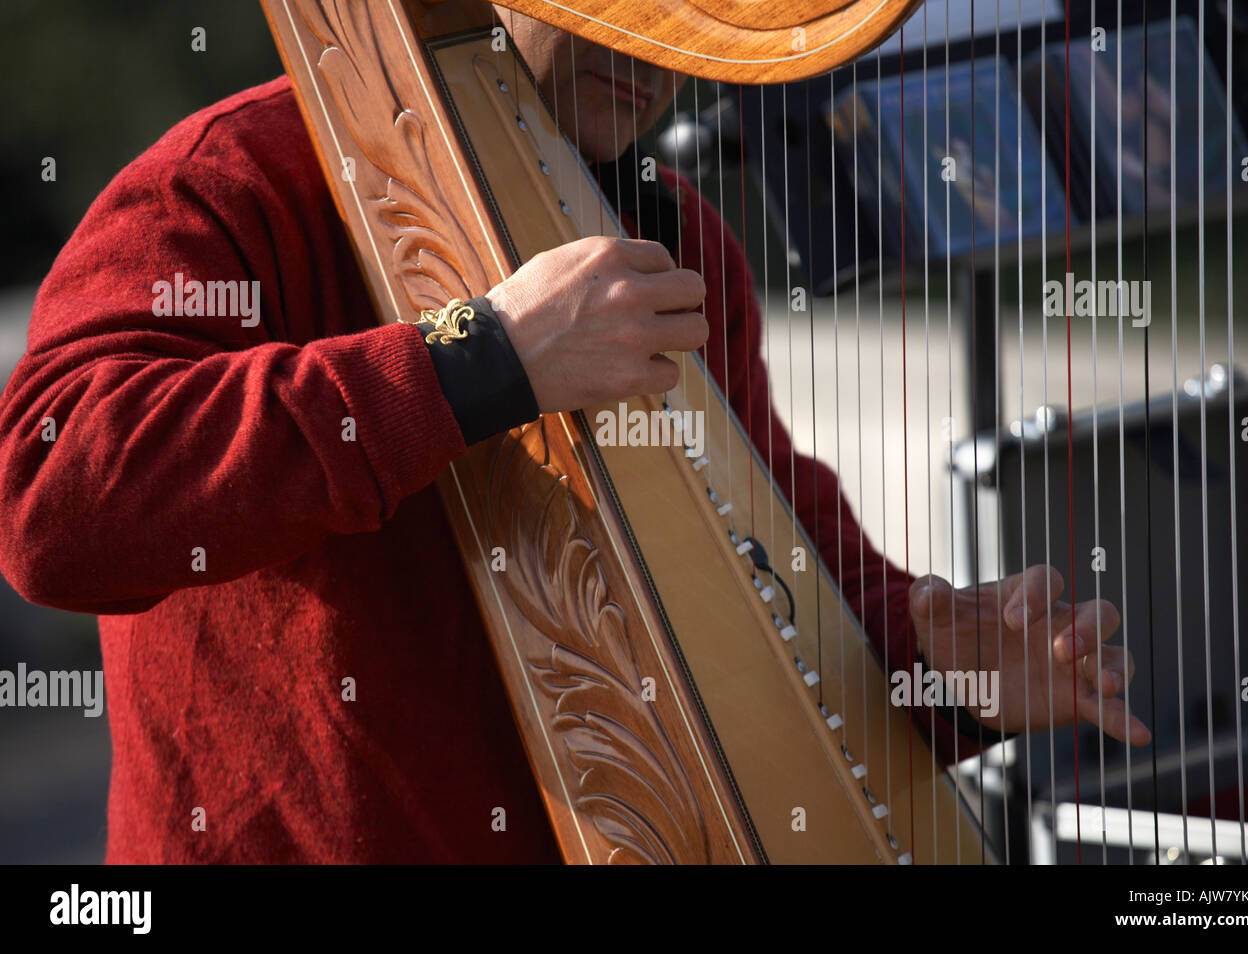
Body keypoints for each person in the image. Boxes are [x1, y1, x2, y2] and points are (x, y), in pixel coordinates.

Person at [0, 7, 1148, 863]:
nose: (648, 50)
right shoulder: (232, 182)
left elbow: (789, 574)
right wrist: (481, 361)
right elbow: (48, 503)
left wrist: (944, 669)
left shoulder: (672, 228)